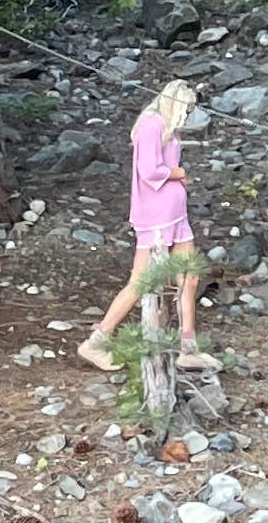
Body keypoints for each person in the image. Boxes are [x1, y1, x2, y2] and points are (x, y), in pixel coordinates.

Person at [75, 81, 200, 370]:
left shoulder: (167, 127)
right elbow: (149, 170)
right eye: (186, 109)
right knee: (140, 282)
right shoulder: (151, 125)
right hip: (156, 216)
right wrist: (179, 172)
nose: (187, 115)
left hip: (176, 216)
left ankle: (188, 348)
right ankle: (96, 341)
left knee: (189, 278)